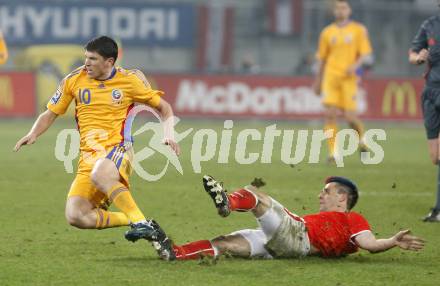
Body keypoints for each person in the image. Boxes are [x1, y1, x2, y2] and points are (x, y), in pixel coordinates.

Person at [14, 36, 179, 260]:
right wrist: (33, 133)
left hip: (119, 149)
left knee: (101, 172)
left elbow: (165, 107)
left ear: (109, 62)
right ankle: (138, 221)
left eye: (92, 59)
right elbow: (50, 112)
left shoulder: (128, 81)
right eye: (85, 58)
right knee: (76, 216)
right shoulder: (74, 80)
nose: (86, 63)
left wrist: (168, 134)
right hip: (88, 159)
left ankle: (139, 221)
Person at [170, 175, 424, 260]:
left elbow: (369, 244)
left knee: (254, 194)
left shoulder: (352, 219)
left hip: (297, 235)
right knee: (224, 242)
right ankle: (176, 253)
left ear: (343, 198)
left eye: (327, 192)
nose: (320, 195)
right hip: (285, 246)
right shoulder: (333, 221)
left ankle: (228, 203)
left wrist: (392, 241)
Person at [312, 0, 374, 162]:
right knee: (330, 115)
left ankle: (362, 141)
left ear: (349, 10)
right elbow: (322, 59)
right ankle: (333, 153)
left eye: (344, 7)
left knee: (350, 118)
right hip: (331, 77)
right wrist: (318, 81)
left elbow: (365, 54)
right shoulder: (327, 32)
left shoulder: (358, 30)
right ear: (334, 11)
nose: (341, 11)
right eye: (338, 8)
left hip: (349, 79)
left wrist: (355, 66)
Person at [409, 0, 440, 222]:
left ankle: (438, 210)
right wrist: (418, 58)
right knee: (435, 157)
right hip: (430, 93)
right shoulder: (429, 24)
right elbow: (412, 53)